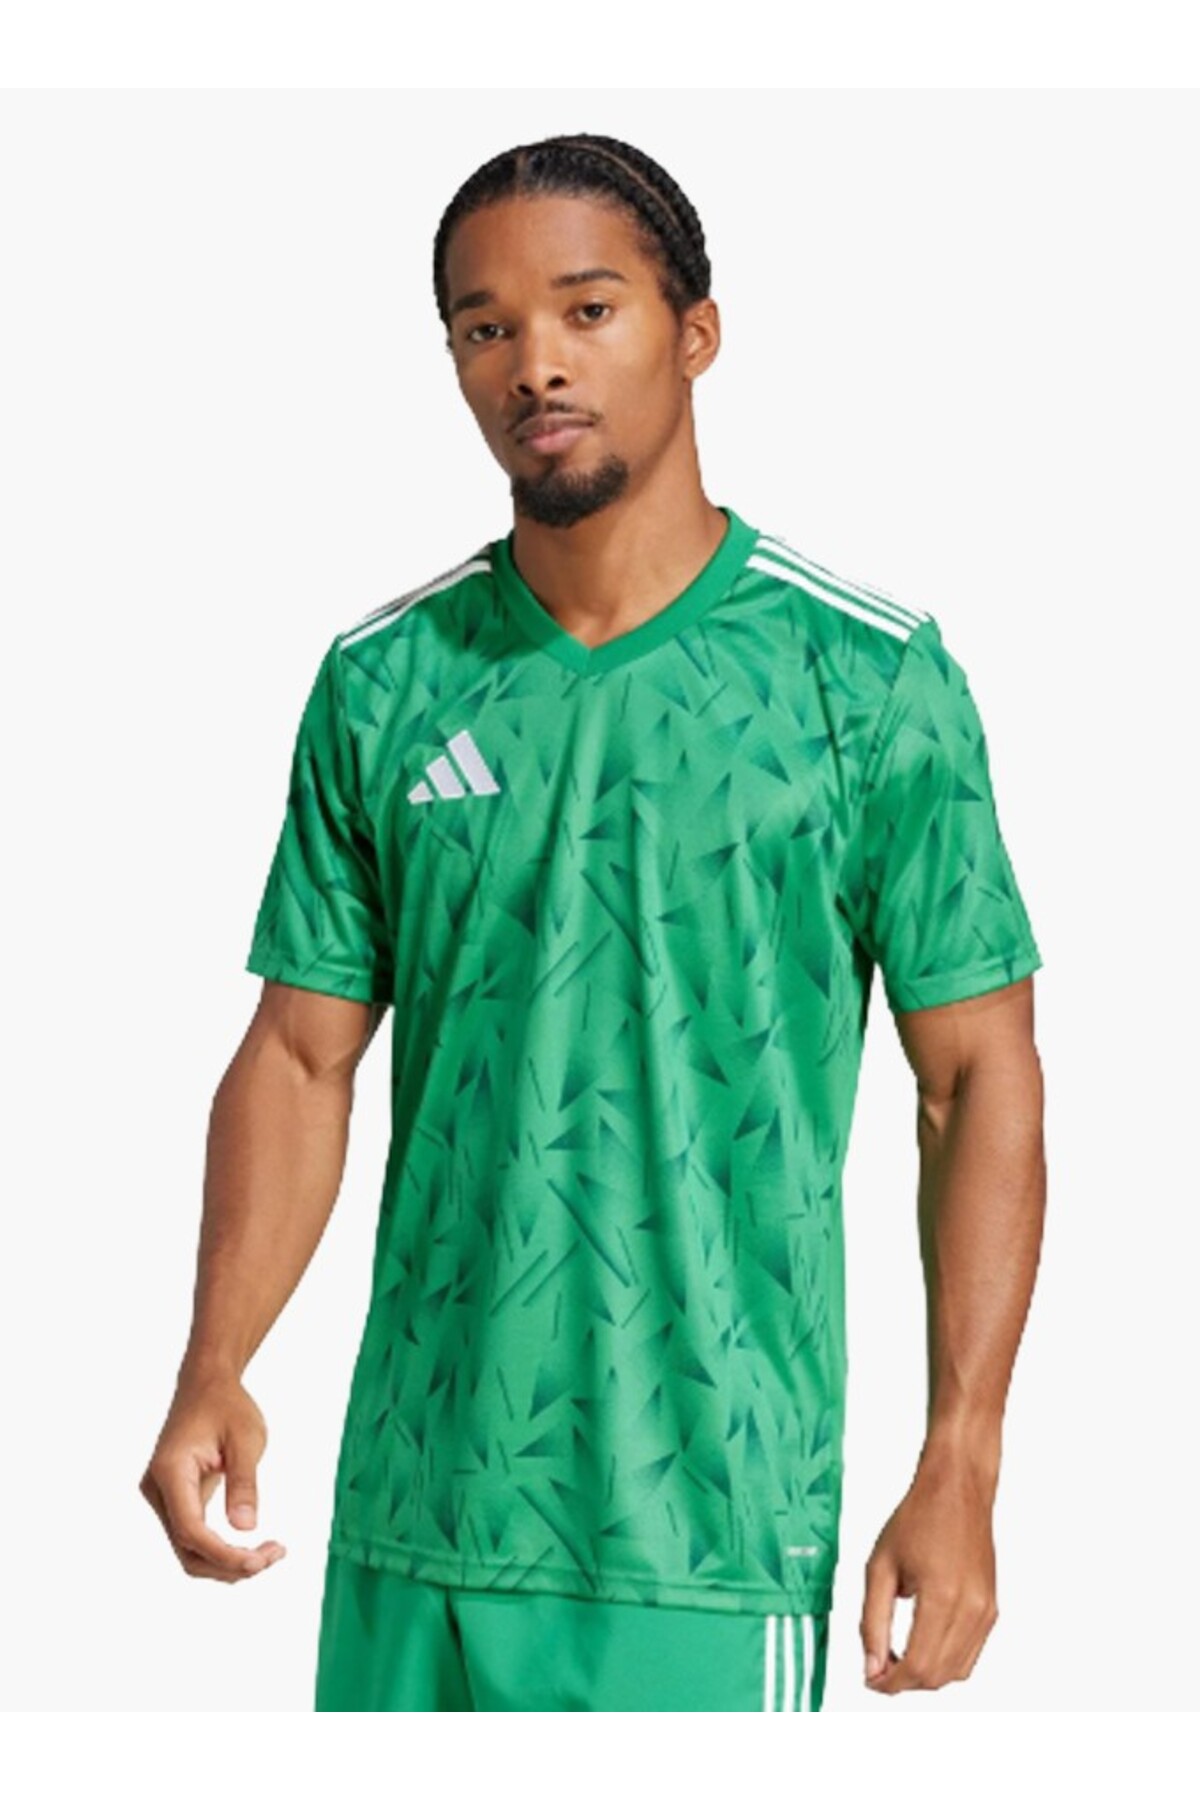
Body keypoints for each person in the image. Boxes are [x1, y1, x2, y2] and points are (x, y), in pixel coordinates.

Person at [138, 132, 1047, 1712]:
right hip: (412, 1525)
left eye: (586, 310)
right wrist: (215, 1359)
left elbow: (976, 1081)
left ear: (696, 332)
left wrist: (961, 1457)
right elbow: (297, 1056)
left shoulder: (865, 679)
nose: (535, 365)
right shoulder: (385, 682)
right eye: (484, 327)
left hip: (709, 1538)